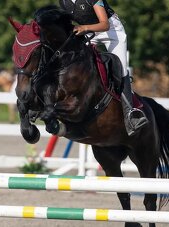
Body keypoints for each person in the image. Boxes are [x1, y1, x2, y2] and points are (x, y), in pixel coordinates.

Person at [58, 0, 148, 136]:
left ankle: (131, 114)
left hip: (112, 32)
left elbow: (104, 24)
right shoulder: (64, 2)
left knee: (121, 70)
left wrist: (84, 28)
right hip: (88, 32)